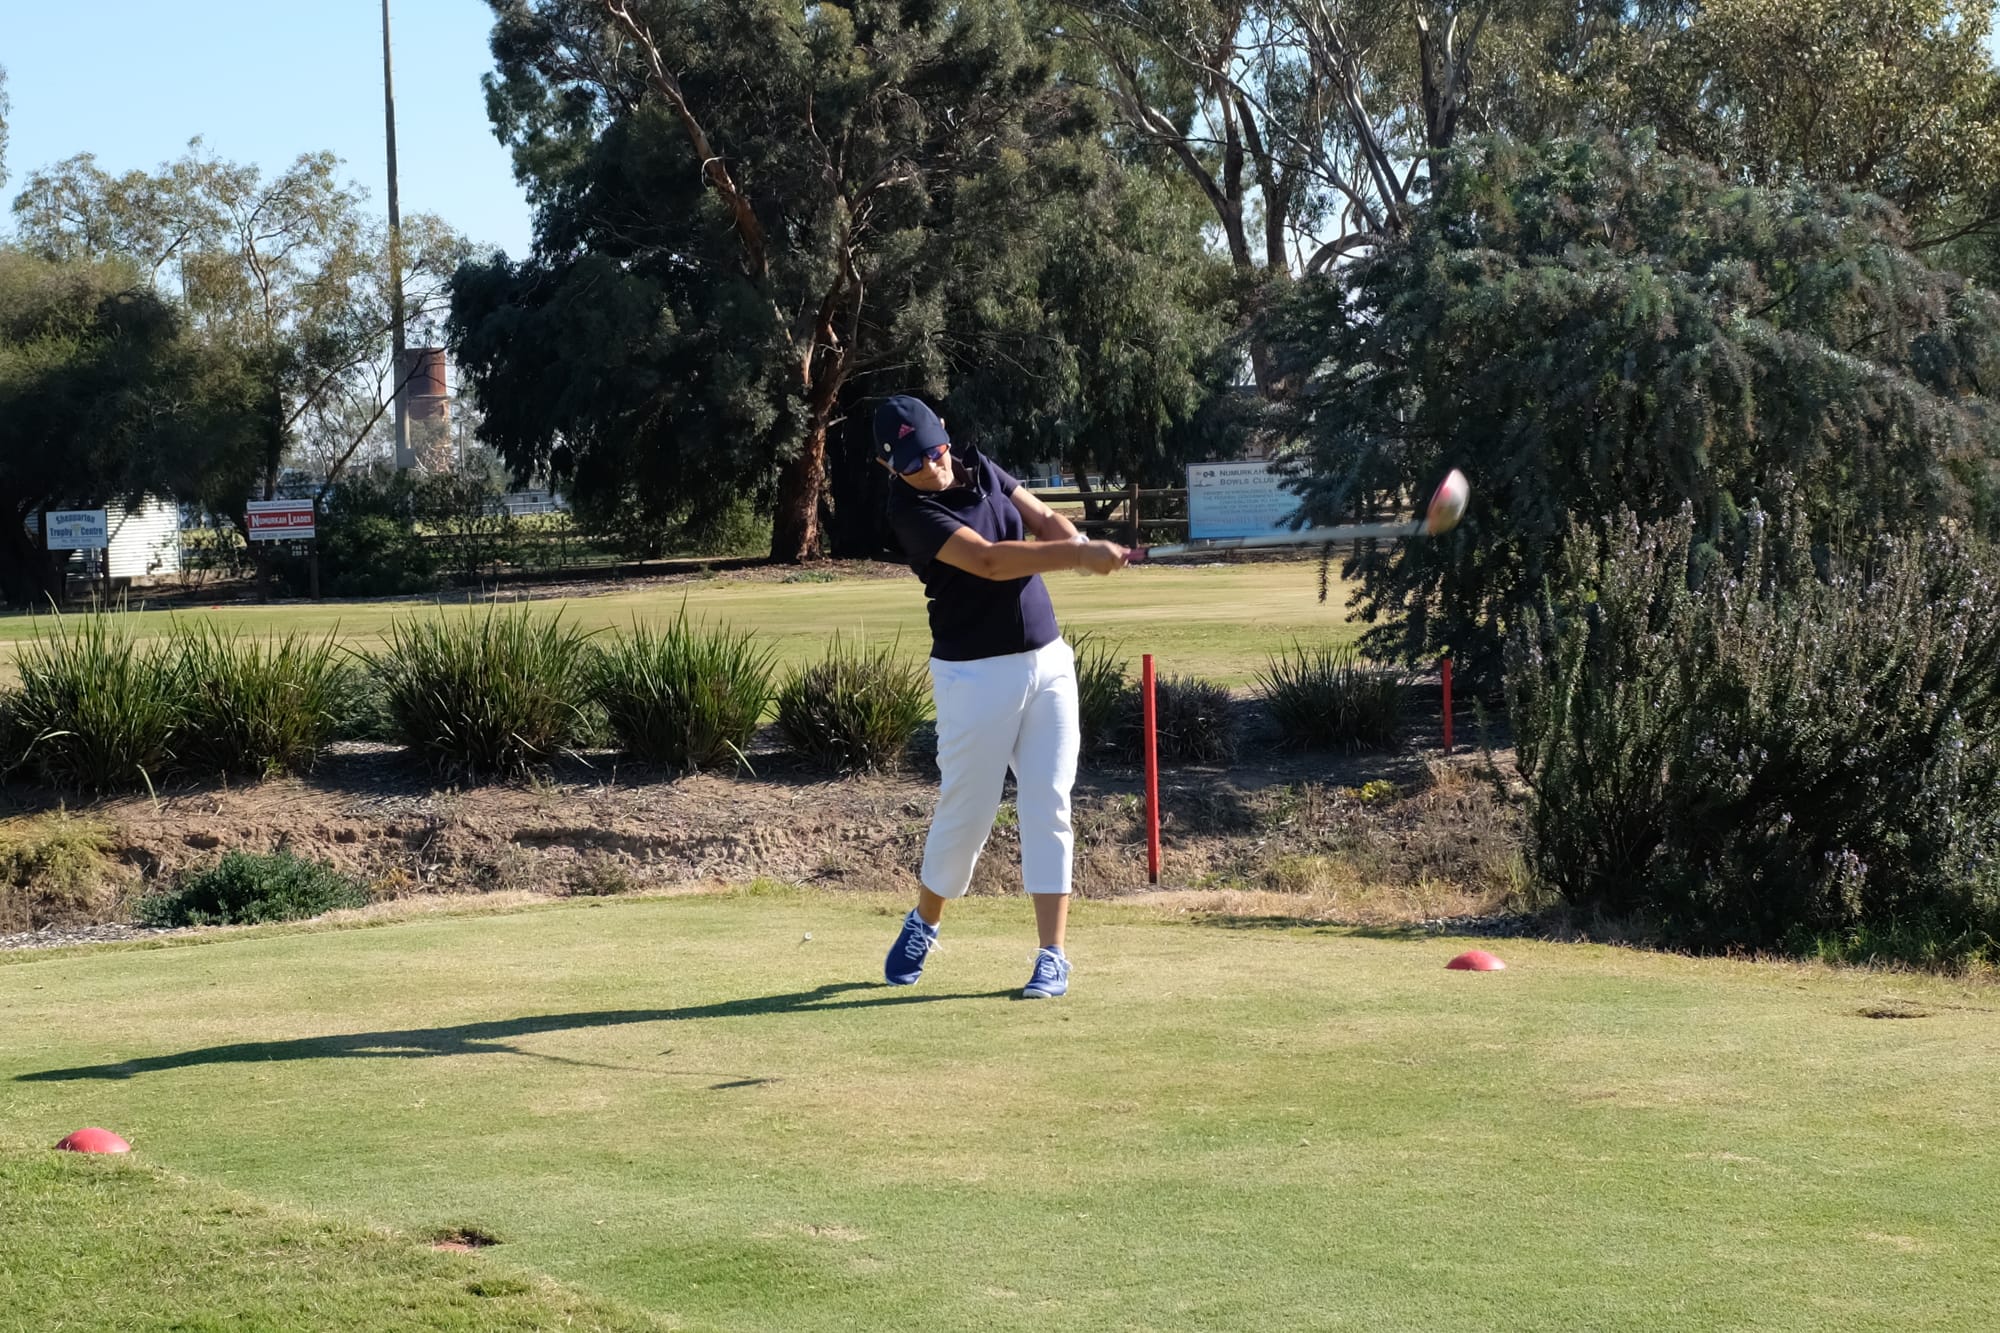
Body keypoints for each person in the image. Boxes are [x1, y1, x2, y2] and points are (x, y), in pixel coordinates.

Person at [874, 395, 1128, 999]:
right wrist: (1077, 556)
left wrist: (1078, 543)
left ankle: (1052, 955)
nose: (931, 468)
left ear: (946, 438)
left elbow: (1044, 521)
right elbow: (989, 562)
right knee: (968, 813)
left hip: (1048, 664)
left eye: (934, 452)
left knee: (1049, 802)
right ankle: (926, 920)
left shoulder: (982, 468)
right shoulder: (910, 510)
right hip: (973, 677)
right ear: (891, 468)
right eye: (912, 462)